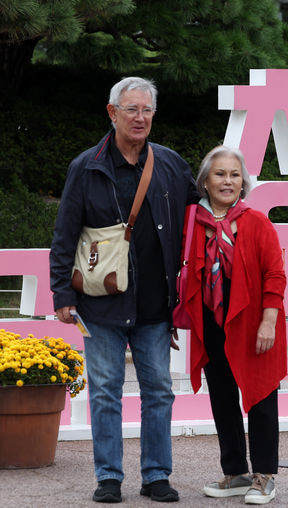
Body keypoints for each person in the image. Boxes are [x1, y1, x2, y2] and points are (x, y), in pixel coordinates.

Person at [50, 77, 198, 503]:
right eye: (131, 109)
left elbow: (199, 218)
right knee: (104, 391)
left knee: (159, 391)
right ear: (112, 113)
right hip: (100, 303)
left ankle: (155, 476)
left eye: (147, 110)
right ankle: (109, 477)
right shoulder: (87, 166)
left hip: (155, 305)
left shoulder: (170, 164)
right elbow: (64, 235)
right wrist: (63, 294)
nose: (140, 117)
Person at [182, 145, 287, 505]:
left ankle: (264, 476)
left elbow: (275, 274)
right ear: (205, 182)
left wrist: (268, 322)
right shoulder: (192, 222)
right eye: (220, 174)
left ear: (243, 182)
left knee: (260, 397)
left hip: (254, 324)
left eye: (234, 174)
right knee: (222, 397)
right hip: (211, 323)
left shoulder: (256, 222)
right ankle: (236, 473)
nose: (228, 181)